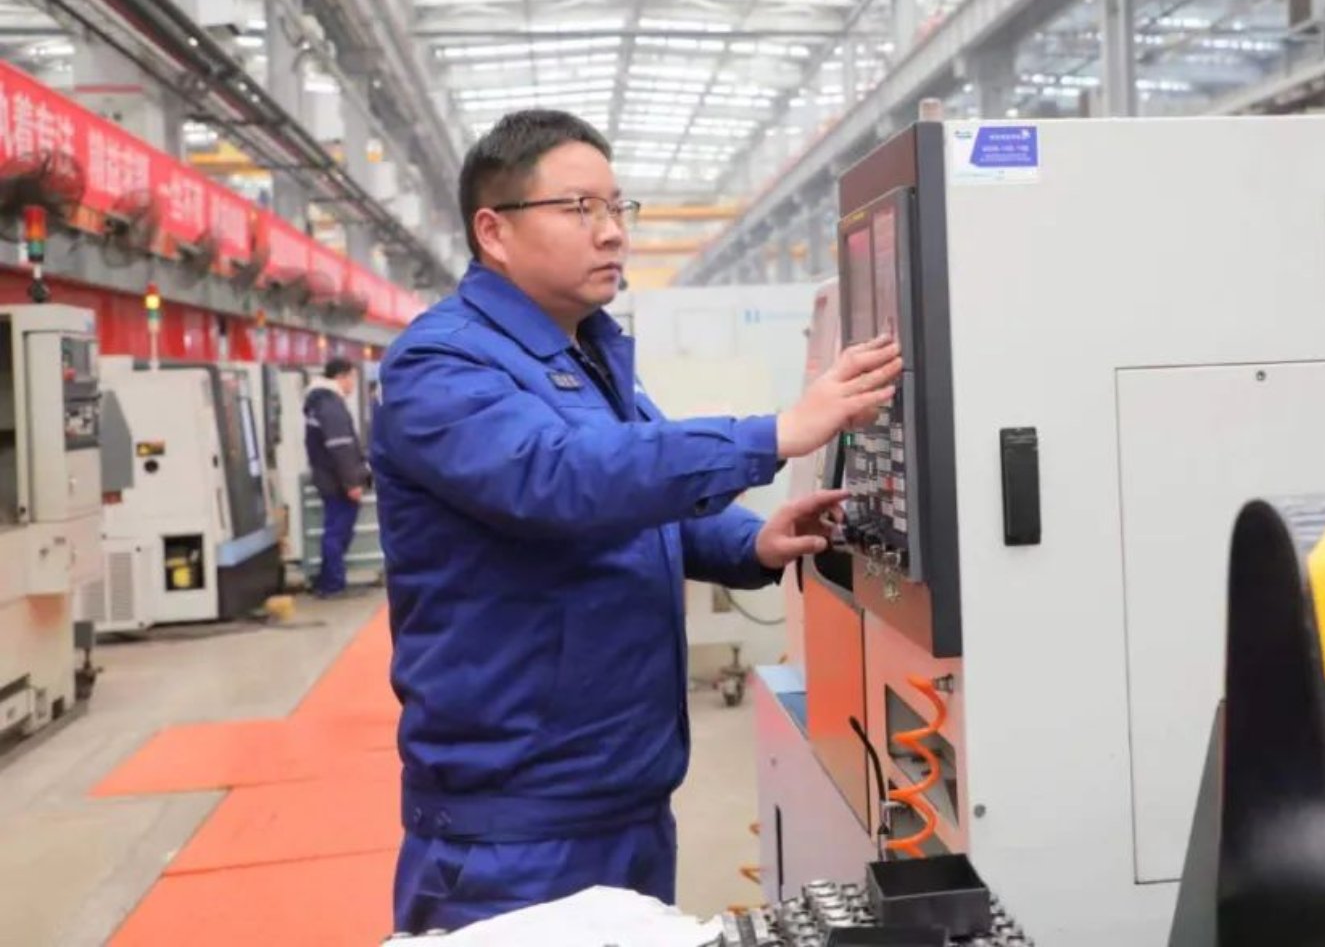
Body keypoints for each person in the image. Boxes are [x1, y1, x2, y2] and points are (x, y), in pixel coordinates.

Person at [371, 109, 902, 935]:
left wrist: (752, 543)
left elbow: (636, 510)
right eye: (580, 208)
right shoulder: (440, 363)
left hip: (625, 792)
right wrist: (774, 433)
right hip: (514, 820)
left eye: (619, 207)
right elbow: (560, 480)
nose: (613, 231)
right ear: (493, 230)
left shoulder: (587, 355)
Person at [303, 356, 369, 597]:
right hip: (336, 481)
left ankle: (326, 580)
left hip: (330, 478)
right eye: (352, 378)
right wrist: (352, 483)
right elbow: (340, 446)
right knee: (337, 532)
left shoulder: (322, 401)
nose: (353, 384)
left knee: (335, 530)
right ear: (341, 377)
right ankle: (332, 584)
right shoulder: (330, 404)